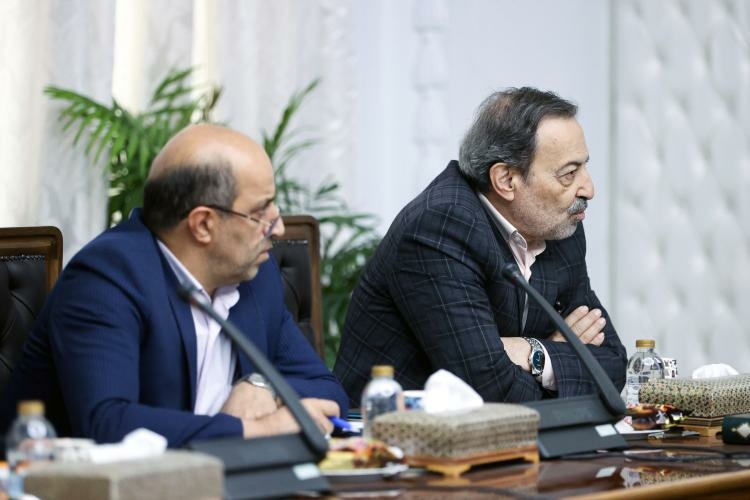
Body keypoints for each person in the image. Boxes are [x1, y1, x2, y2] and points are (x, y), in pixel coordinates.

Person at [0, 124, 347, 447]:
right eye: (262, 211)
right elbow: (108, 424)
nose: (279, 228)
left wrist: (263, 386)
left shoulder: (254, 275)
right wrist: (256, 430)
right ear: (203, 225)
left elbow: (328, 391)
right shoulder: (107, 278)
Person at [334, 87, 627, 406]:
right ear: (506, 180)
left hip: (502, 430)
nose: (589, 189)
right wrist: (555, 357)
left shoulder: (558, 225)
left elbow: (612, 366)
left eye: (584, 167)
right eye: (569, 174)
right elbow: (490, 389)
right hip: (391, 427)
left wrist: (531, 352)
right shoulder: (440, 227)